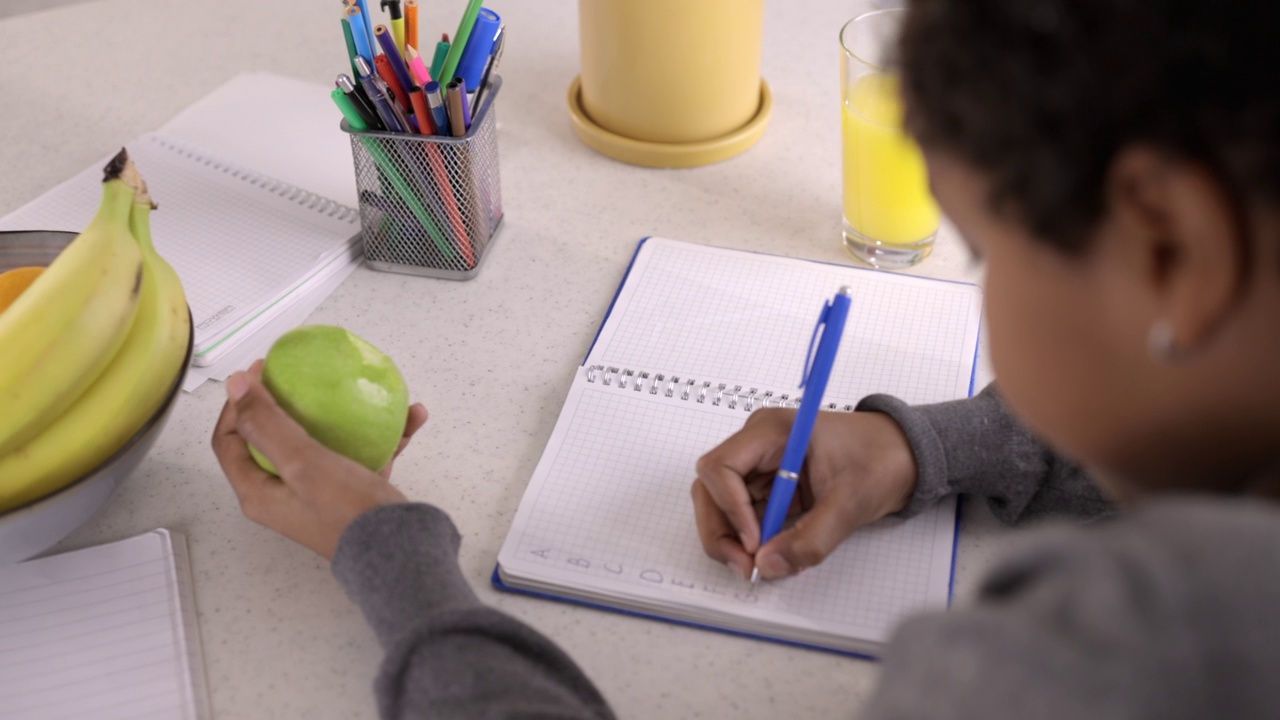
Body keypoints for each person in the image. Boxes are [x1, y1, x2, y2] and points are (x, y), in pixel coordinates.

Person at [211, 0, 1280, 717]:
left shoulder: (1102, 659)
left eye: (987, 247)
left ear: (1171, 242)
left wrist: (386, 551)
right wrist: (932, 446)